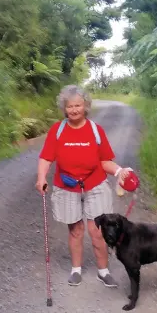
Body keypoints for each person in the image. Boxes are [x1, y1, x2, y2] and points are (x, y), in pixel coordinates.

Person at [36, 84, 131, 287]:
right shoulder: (58, 130)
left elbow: (105, 161)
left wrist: (119, 171)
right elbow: (46, 157)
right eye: (70, 106)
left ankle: (103, 271)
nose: (74, 110)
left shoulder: (95, 131)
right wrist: (41, 177)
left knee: (97, 231)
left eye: (78, 105)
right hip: (66, 185)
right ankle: (76, 269)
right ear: (65, 108)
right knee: (76, 230)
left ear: (85, 106)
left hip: (94, 184)